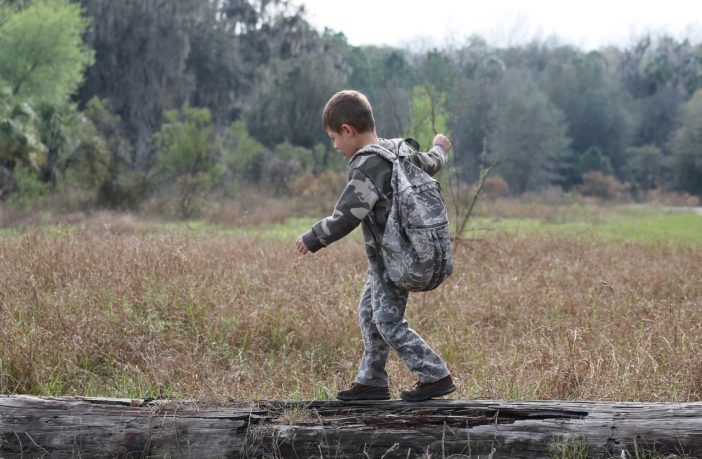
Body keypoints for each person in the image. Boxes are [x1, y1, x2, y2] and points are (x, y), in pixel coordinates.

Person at [295, 89, 456, 402]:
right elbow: (432, 162)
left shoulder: (367, 165)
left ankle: (434, 374)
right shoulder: (396, 150)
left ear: (348, 131)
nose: (335, 146)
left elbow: (347, 216)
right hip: (400, 254)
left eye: (333, 138)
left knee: (387, 320)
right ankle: (372, 381)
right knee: (369, 312)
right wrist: (440, 146)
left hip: (392, 258)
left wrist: (314, 238)